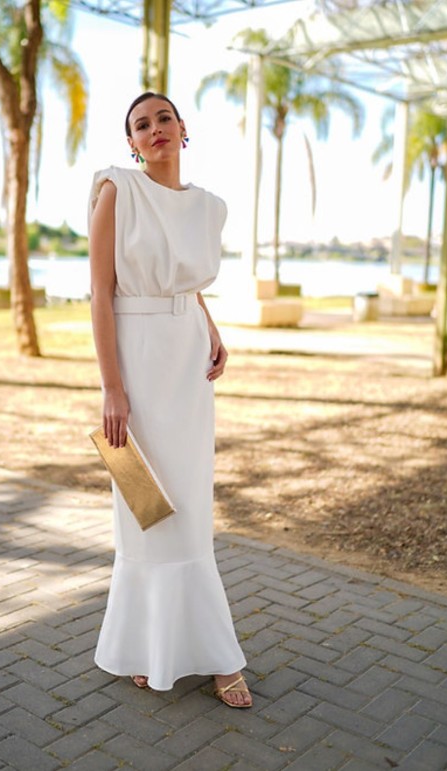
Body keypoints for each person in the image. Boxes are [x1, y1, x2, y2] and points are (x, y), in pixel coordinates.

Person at [88, 91, 252, 708]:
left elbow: (186, 281)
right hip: (136, 359)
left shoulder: (209, 207)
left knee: (189, 511)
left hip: (186, 363)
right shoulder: (116, 191)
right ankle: (147, 646)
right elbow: (101, 294)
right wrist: (112, 386)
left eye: (163, 118)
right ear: (130, 142)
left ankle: (213, 655)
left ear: (184, 130)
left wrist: (210, 326)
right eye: (140, 124)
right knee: (146, 512)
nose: (153, 129)